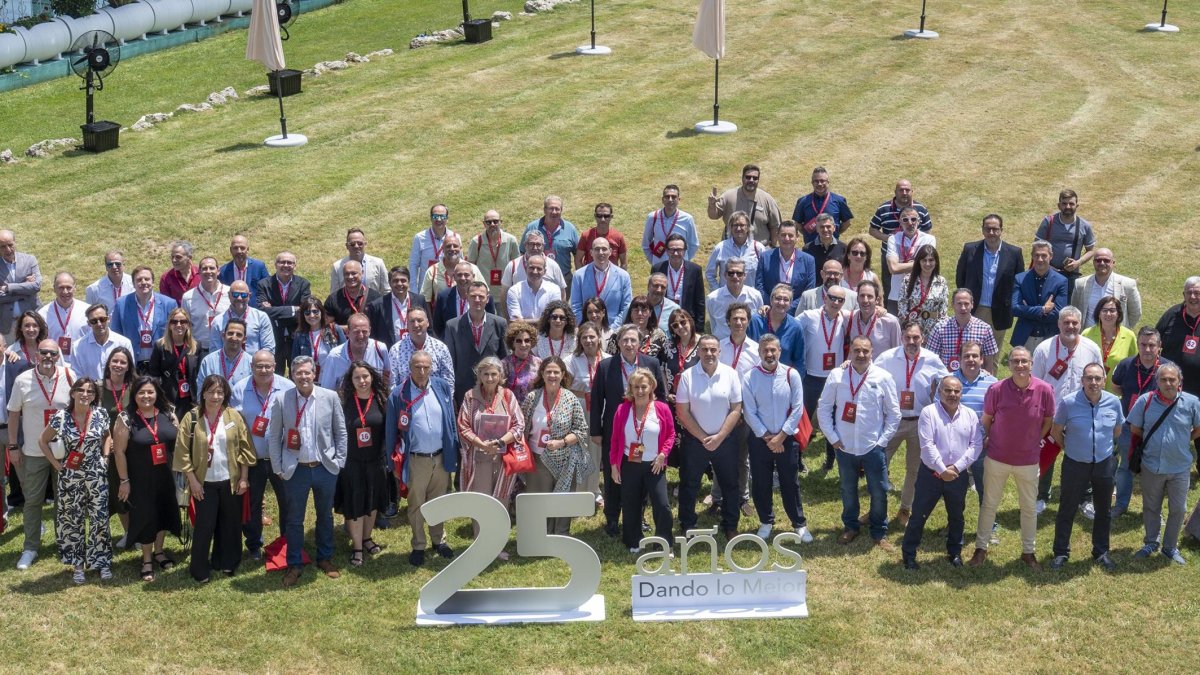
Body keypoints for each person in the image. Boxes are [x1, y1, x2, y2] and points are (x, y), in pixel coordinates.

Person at [970, 348, 1056, 570]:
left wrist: (1036, 438)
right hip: (997, 457)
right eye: (1015, 361)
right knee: (989, 504)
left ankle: (1028, 552)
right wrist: (994, 438)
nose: (1020, 365)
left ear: (1031, 364)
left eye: (1024, 361)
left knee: (1028, 508)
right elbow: (987, 419)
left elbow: (1048, 420)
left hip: (1028, 460)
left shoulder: (1045, 389)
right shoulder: (996, 389)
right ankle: (981, 549)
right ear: (1009, 364)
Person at [267, 356, 347, 587]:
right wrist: (278, 467)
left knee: (325, 515)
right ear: (292, 375)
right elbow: (274, 436)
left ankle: (325, 558)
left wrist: (339, 462)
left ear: (315, 374)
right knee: (294, 519)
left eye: (307, 372)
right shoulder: (282, 400)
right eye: (298, 373)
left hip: (324, 468)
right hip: (296, 470)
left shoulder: (329, 397)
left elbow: (340, 432)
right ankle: (295, 564)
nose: (303, 377)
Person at [817, 336, 901, 550]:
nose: (861, 355)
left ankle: (879, 532)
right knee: (847, 489)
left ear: (872, 352)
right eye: (857, 350)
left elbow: (894, 414)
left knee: (879, 490)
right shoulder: (837, 376)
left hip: (872, 446)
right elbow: (824, 408)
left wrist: (881, 442)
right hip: (844, 447)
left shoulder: (883, 377)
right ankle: (851, 526)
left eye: (865, 350)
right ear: (850, 352)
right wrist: (833, 439)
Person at [175, 375, 254, 582]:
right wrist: (192, 480)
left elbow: (245, 448)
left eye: (220, 392)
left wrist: (244, 478)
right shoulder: (191, 418)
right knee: (204, 526)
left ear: (225, 394)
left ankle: (227, 562)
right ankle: (199, 568)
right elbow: (182, 452)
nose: (215, 396)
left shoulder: (233, 416)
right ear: (203, 393)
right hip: (203, 483)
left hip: (231, 481)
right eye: (211, 392)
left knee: (230, 524)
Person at [591, 324, 667, 536]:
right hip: (615, 432)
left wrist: (659, 426)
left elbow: (660, 395)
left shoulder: (651, 363)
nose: (629, 344)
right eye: (625, 340)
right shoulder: (606, 366)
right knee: (613, 475)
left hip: (642, 433)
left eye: (633, 340)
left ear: (640, 342)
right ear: (618, 342)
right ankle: (613, 518)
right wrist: (596, 431)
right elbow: (597, 399)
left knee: (638, 474)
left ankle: (638, 515)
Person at [900, 375, 982, 570]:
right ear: (939, 392)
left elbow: (976, 444)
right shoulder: (929, 413)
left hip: (957, 475)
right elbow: (927, 445)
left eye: (956, 391)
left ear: (961, 393)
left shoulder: (970, 415)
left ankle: (954, 553)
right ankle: (909, 555)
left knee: (956, 516)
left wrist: (957, 468)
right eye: (947, 390)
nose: (952, 394)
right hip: (931, 475)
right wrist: (942, 469)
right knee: (919, 515)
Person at [1048, 363, 1123, 571]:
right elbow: (1056, 431)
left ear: (1103, 380)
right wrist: (1070, 447)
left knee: (1103, 510)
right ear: (1082, 380)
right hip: (1075, 463)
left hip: (1104, 464)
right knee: (1067, 508)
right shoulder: (1068, 402)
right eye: (1089, 378)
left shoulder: (1113, 402)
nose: (1093, 382)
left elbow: (1117, 431)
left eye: (1098, 378)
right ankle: (1061, 552)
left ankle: (1101, 551)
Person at [874, 320, 949, 526]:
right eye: (907, 337)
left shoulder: (932, 359)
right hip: (892, 421)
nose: (912, 342)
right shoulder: (887, 358)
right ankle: (876, 509)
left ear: (922, 339)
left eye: (916, 338)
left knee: (914, 469)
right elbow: (867, 374)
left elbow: (948, 381)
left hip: (920, 423)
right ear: (901, 338)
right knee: (879, 464)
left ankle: (905, 509)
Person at [7, 339, 72, 570]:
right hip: (34, 452)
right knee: (33, 501)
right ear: (36, 356)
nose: (47, 357)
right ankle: (30, 547)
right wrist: (13, 446)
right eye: (43, 352)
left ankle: (65, 543)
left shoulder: (69, 375)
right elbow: (13, 414)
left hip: (63, 452)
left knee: (63, 501)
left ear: (58, 356)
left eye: (52, 353)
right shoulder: (22, 380)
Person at [390, 351, 460, 565]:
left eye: (426, 367)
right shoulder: (398, 394)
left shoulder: (441, 386)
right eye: (417, 367)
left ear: (432, 368)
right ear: (410, 368)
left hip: (440, 457)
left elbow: (450, 420)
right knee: (416, 504)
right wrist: (392, 461)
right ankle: (418, 544)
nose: (422, 372)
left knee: (439, 502)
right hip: (416, 459)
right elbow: (391, 431)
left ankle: (439, 540)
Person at [39, 377, 111, 583]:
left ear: (95, 395)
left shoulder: (101, 414)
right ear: (72, 393)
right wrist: (56, 465)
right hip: (70, 474)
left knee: (99, 517)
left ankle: (101, 560)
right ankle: (77, 563)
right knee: (72, 518)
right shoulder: (60, 417)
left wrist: (105, 458)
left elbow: (107, 436)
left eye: (90, 391)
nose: (85, 394)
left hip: (96, 473)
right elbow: (42, 441)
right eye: (81, 390)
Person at [1032, 306, 1103, 513]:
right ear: (1058, 324)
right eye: (1066, 322)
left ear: (1080, 324)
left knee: (1083, 456)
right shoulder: (1044, 349)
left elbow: (1098, 379)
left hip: (1081, 412)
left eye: (1074, 323)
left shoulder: (1091, 349)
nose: (1070, 326)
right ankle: (1041, 495)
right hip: (1051, 413)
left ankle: (1085, 497)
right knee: (1046, 454)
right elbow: (1035, 383)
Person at [1128, 364, 1200, 565]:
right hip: (1152, 466)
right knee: (1151, 507)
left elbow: (1198, 429)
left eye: (1172, 379)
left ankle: (1169, 547)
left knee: (1178, 508)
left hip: (1180, 467)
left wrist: (1182, 440)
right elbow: (1135, 427)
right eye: (1163, 379)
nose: (1168, 383)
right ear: (1157, 382)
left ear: (1179, 381)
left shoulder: (1192, 402)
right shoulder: (1146, 401)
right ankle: (1151, 542)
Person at [112, 377, 183, 582]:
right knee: (145, 516)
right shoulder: (126, 418)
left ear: (157, 393)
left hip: (166, 476)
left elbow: (179, 442)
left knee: (162, 512)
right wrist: (124, 481)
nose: (146, 396)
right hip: (140, 478)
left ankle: (159, 551)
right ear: (134, 395)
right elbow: (119, 452)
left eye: (150, 392)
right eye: (141, 392)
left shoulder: (168, 413)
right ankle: (146, 560)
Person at [742, 335, 812, 542]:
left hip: (786, 438)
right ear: (759, 352)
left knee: (790, 481)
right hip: (760, 439)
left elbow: (798, 408)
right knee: (761, 482)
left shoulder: (792, 375)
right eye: (765, 350)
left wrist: (780, 437)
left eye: (773, 350)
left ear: (779, 352)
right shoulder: (750, 377)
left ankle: (799, 523)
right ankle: (766, 521)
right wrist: (767, 437)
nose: (769, 354)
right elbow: (749, 411)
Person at [676, 335, 744, 538]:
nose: (709, 354)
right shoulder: (688, 376)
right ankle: (687, 524)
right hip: (695, 441)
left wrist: (719, 437)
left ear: (719, 352)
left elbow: (736, 409)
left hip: (725, 440)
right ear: (698, 352)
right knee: (689, 483)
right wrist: (704, 437)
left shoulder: (730, 374)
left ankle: (730, 524)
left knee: (730, 483)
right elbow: (682, 411)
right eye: (705, 349)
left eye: (713, 350)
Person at [230, 350, 294, 560]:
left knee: (287, 501)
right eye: (259, 366)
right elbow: (234, 425)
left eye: (268, 366)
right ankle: (254, 545)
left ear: (275, 366)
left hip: (281, 457)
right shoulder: (240, 389)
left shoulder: (287, 387)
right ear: (252, 367)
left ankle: (287, 542)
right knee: (252, 504)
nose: (264, 370)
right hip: (252, 459)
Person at [521, 357, 592, 535]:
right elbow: (522, 427)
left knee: (562, 500)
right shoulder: (532, 398)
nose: (552, 375)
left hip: (565, 459)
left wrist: (562, 442)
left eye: (556, 372)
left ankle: (560, 535)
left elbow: (582, 430)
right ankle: (539, 536)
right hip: (537, 459)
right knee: (539, 500)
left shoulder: (571, 399)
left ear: (562, 375)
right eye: (548, 372)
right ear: (542, 374)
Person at [1110, 327, 1173, 518]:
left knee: (1155, 472)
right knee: (1125, 468)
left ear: (1159, 347)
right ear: (1137, 344)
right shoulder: (1125, 365)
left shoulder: (1168, 369)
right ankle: (1121, 504)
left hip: (1156, 430)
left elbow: (1173, 396)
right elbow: (1117, 387)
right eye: (1143, 344)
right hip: (1129, 428)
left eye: (1151, 345)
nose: (1147, 349)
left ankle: (1154, 512)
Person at [610, 366, 673, 551]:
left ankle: (663, 544)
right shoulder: (622, 410)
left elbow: (670, 435)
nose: (640, 390)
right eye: (636, 387)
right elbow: (614, 440)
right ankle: (633, 540)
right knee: (631, 504)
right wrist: (614, 465)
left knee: (662, 505)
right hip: (630, 463)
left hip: (654, 464)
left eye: (644, 386)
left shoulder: (661, 409)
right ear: (631, 388)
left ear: (651, 387)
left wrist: (663, 455)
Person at [457, 357, 524, 531]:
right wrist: (481, 444)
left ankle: (498, 541)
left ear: (500, 375)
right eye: (485, 374)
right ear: (479, 375)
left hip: (503, 459)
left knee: (501, 498)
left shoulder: (508, 396)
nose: (490, 378)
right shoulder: (470, 396)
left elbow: (519, 424)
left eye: (494, 374)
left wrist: (502, 440)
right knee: (481, 501)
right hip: (479, 458)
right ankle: (480, 539)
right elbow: (463, 426)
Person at [335, 362, 389, 567]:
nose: (362, 381)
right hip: (352, 462)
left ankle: (367, 538)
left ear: (372, 377)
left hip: (376, 461)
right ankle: (357, 546)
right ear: (351, 381)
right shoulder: (343, 402)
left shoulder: (382, 400)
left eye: (365, 376)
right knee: (355, 502)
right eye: (357, 378)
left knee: (372, 501)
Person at [798, 285, 851, 472]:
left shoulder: (845, 318)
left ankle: (829, 461)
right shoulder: (808, 316)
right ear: (824, 298)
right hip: (811, 377)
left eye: (840, 300)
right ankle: (797, 459)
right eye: (832, 298)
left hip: (834, 378)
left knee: (833, 420)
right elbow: (789, 325)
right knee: (802, 418)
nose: (836, 302)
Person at [956, 213, 1025, 348]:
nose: (991, 233)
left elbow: (1019, 282)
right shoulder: (970, 250)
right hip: (975, 308)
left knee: (993, 354)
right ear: (982, 230)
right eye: (988, 229)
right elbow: (960, 277)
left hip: (1000, 311)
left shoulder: (1014, 253)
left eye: (995, 229)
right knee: (971, 349)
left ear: (1001, 231)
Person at [1153, 277, 1200, 469]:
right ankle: (1163, 463)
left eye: (1197, 293)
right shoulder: (1172, 315)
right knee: (1168, 426)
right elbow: (1155, 341)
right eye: (1189, 292)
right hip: (1171, 386)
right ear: (1183, 295)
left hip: (1199, 387)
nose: (1193, 296)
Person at [950, 342, 998, 517]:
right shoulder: (949, 382)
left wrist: (990, 437)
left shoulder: (993, 384)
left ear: (982, 359)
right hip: (955, 447)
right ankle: (954, 525)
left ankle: (989, 526)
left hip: (983, 446)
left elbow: (1000, 416)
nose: (971, 359)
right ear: (960, 359)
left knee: (985, 489)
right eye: (966, 356)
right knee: (954, 491)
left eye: (975, 356)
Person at [446, 281, 510, 409]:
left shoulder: (500, 323)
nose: (477, 300)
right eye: (473, 296)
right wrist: (451, 393)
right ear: (466, 297)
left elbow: (504, 359)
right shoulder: (452, 326)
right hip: (463, 389)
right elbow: (450, 363)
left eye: (481, 296)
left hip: (492, 387)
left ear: (487, 299)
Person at [868, 180, 933, 300]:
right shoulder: (884, 209)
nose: (904, 193)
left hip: (915, 255)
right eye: (901, 190)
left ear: (912, 192)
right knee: (889, 286)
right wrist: (888, 239)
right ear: (895, 192)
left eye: (907, 190)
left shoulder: (921, 209)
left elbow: (927, 230)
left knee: (917, 285)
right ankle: (890, 310)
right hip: (890, 254)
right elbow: (872, 229)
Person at [567, 321, 608, 498]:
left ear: (599, 338)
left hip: (602, 409)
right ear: (579, 340)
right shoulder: (571, 360)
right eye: (585, 337)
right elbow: (565, 387)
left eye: (592, 336)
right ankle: (578, 490)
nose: (589, 340)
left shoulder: (608, 359)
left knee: (596, 450)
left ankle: (593, 489)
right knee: (579, 450)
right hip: (580, 408)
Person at [99, 346, 135, 545]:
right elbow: (92, 418)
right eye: (115, 361)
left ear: (129, 366)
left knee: (137, 488)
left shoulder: (135, 386)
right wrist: (106, 438)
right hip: (110, 449)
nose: (118, 365)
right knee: (118, 489)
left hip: (134, 447)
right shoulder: (97, 388)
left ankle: (140, 530)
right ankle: (128, 531)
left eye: (123, 362)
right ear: (108, 364)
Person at [111, 266, 178, 372]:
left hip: (161, 364)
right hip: (132, 364)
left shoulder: (169, 304)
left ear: (153, 282)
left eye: (147, 279)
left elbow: (176, 334)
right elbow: (115, 334)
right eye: (139, 280)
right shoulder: (121, 304)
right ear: (133, 284)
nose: (143, 282)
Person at [256, 251, 311, 374]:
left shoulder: (303, 284)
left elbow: (305, 310)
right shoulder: (264, 284)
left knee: (298, 373)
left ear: (295, 266)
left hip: (295, 337)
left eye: (290, 262)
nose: (286, 265)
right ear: (275, 265)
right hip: (273, 337)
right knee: (275, 374)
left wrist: (273, 310)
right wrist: (293, 309)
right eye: (282, 262)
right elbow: (262, 311)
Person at [1010, 241, 1069, 350]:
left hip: (1049, 337)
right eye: (1037, 255)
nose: (1040, 259)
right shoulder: (1020, 279)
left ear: (1051, 256)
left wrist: (1027, 310)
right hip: (1025, 337)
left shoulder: (1062, 281)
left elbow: (1059, 313)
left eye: (1044, 255)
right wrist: (1042, 310)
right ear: (1032, 256)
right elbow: (1015, 309)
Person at [926, 289, 999, 373]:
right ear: (952, 305)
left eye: (966, 304)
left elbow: (988, 363)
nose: (963, 308)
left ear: (972, 305)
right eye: (959, 303)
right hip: (946, 380)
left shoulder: (985, 329)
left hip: (973, 380)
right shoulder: (940, 328)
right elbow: (931, 358)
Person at [707, 164, 782, 245]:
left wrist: (772, 246)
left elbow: (775, 226)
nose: (751, 180)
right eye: (748, 177)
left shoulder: (767, 199)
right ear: (742, 178)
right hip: (731, 248)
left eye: (755, 178)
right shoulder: (729, 196)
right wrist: (712, 205)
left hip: (758, 251)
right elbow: (713, 216)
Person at [1034, 189, 1096, 286]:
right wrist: (1046, 264)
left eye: (1071, 204)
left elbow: (1091, 250)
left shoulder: (1084, 226)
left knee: (1068, 301)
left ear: (1077, 206)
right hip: (1046, 272)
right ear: (1059, 205)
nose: (1068, 207)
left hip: (1071, 275)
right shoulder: (1048, 221)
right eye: (1064, 203)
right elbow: (1036, 246)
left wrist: (1078, 263)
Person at [1069, 248, 1141, 329]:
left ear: (1113, 263)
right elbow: (1075, 311)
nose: (1102, 263)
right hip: (1088, 337)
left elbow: (1135, 313)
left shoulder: (1128, 284)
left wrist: (1123, 330)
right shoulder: (1080, 284)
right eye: (1098, 260)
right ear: (1093, 262)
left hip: (1116, 337)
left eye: (1106, 260)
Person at [569, 238, 632, 330]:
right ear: (591, 252)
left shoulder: (623, 276)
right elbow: (575, 306)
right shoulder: (579, 276)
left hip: (613, 330)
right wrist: (586, 328)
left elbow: (626, 306)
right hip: (588, 332)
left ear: (610, 252)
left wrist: (613, 329)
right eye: (597, 249)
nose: (601, 252)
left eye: (604, 249)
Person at [756, 221, 816, 314]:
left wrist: (788, 307)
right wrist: (774, 306)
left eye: (790, 235)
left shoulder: (808, 260)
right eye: (783, 235)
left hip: (797, 313)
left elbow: (809, 289)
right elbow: (759, 285)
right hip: (770, 311)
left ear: (797, 237)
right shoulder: (765, 257)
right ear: (777, 236)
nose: (787, 238)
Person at [147, 307, 201, 413]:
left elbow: (198, 374)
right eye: (174, 322)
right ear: (169, 325)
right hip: (168, 397)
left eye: (183, 321)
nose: (179, 325)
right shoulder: (160, 346)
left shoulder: (196, 346)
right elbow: (154, 375)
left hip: (189, 398)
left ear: (188, 325)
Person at [885, 207, 937, 315]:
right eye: (905, 220)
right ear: (900, 222)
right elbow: (893, 268)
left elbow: (927, 266)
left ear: (919, 221)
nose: (910, 223)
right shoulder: (893, 239)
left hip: (921, 295)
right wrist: (919, 263)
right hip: (896, 295)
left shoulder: (929, 239)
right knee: (896, 330)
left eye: (913, 219)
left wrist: (903, 265)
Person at [318, 313, 390, 391]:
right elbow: (327, 390)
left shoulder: (380, 349)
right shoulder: (334, 356)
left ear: (370, 331)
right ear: (348, 332)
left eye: (364, 331)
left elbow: (389, 381)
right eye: (356, 332)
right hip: (345, 402)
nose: (361, 336)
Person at [387, 306, 454, 389]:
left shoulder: (441, 348)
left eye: (419, 320)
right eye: (412, 321)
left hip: (435, 399)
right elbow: (392, 383)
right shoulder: (396, 350)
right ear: (407, 325)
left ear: (427, 322)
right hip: (406, 400)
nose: (416, 325)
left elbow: (448, 381)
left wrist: (444, 401)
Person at [521, 195, 580, 289]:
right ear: (544, 210)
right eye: (551, 208)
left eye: (557, 209)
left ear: (561, 210)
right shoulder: (532, 227)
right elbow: (522, 252)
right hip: (536, 278)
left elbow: (578, 254)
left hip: (563, 279)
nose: (554, 212)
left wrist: (578, 278)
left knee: (562, 303)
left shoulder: (570, 229)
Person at [467, 210, 521, 311]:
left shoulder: (511, 240)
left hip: (504, 293)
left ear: (501, 222)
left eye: (495, 221)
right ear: (484, 224)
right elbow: (471, 267)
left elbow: (516, 266)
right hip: (483, 295)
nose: (492, 224)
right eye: (488, 222)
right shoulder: (476, 241)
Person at [1082, 296, 1137, 389]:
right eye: (1104, 310)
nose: (1108, 314)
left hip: (1116, 393)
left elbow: (1134, 365)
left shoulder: (1129, 336)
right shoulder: (1086, 334)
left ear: (1118, 314)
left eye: (1112, 310)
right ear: (1098, 313)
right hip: (1089, 391)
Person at [651, 234, 705, 328]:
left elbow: (699, 300)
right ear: (667, 251)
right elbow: (652, 296)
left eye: (679, 250)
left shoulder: (695, 270)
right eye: (672, 249)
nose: (675, 253)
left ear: (684, 251)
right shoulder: (658, 268)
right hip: (663, 318)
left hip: (687, 319)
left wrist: (699, 327)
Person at [367, 266, 428, 348]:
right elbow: (373, 335)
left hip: (417, 351)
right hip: (389, 353)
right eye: (395, 281)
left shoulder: (420, 300)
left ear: (408, 282)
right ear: (389, 283)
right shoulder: (377, 306)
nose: (399, 284)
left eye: (403, 280)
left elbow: (429, 327)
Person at [70, 303, 134, 381]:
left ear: (109, 319)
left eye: (102, 319)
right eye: (94, 321)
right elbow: (77, 375)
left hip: (118, 390)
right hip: (91, 391)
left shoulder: (124, 343)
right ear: (89, 323)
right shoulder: (78, 347)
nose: (99, 324)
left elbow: (130, 371)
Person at [0, 229, 42, 345]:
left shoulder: (29, 260)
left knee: (35, 356)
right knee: (9, 359)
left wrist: (8, 288)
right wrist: (25, 289)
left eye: (10, 245)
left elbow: (36, 286)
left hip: (32, 322)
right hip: (7, 324)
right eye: (3, 247)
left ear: (15, 242)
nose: (8, 250)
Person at [749, 284, 805, 371]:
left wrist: (793, 382)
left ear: (790, 303)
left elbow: (799, 361)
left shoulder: (796, 327)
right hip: (756, 377)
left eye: (786, 300)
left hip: (783, 380)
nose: (781, 302)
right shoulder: (755, 321)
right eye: (778, 298)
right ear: (771, 300)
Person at [432, 259, 492, 340]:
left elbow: (490, 323)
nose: (463, 278)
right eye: (459, 275)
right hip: (452, 344)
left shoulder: (484, 297)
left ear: (473, 277)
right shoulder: (443, 297)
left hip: (477, 343)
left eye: (466, 275)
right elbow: (438, 326)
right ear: (454, 277)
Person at [792, 165, 854, 244]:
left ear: (828, 182)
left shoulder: (839, 201)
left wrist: (835, 232)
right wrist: (808, 234)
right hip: (811, 247)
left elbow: (846, 223)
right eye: (816, 181)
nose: (820, 184)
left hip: (833, 246)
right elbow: (798, 224)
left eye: (822, 181)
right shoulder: (803, 202)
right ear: (812, 183)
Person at [179, 257, 229, 353]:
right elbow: (186, 326)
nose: (208, 271)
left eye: (212, 268)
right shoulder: (188, 297)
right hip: (199, 350)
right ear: (199, 272)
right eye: (204, 268)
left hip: (225, 348)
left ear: (218, 271)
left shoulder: (230, 293)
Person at [706, 212, 766, 292]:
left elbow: (765, 275)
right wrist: (718, 292)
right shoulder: (720, 248)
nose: (738, 228)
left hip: (750, 299)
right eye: (735, 225)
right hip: (726, 299)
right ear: (730, 228)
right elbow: (710, 274)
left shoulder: (758, 248)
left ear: (748, 227)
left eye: (742, 225)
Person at [706, 258, 763, 341]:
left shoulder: (755, 295)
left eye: (739, 273)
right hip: (722, 347)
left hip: (748, 347)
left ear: (745, 275)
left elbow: (758, 323)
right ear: (725, 275)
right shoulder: (712, 298)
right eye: (731, 273)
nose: (735, 276)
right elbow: (713, 326)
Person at [898, 245, 948, 338]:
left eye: (931, 260)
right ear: (919, 262)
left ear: (936, 262)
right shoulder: (908, 280)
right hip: (913, 331)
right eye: (924, 260)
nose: (927, 264)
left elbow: (943, 311)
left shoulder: (942, 282)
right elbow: (902, 306)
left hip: (933, 331)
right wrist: (908, 327)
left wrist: (940, 331)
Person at [642, 184, 699, 266]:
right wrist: (654, 261)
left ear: (679, 199)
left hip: (680, 266)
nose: (670, 199)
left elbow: (694, 244)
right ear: (662, 200)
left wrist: (684, 260)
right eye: (667, 196)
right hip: (659, 265)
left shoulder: (687, 219)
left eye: (674, 197)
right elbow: (646, 244)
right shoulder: (652, 217)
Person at [422, 233, 486, 305]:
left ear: (460, 249)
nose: (452, 249)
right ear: (443, 249)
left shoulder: (473, 268)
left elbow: (484, 293)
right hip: (441, 315)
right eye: (448, 246)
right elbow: (425, 300)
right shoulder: (432, 271)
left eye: (455, 246)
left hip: (468, 314)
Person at [291, 297, 347, 379]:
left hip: (333, 380)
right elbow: (295, 362)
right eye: (307, 312)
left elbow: (345, 356)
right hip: (310, 382)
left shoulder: (334, 330)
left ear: (322, 312)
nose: (312, 315)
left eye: (315, 311)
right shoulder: (300, 335)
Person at [501, 231, 568, 299]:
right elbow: (504, 293)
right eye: (531, 244)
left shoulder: (553, 265)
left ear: (543, 246)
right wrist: (505, 310)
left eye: (538, 244)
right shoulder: (513, 265)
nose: (535, 248)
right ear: (525, 245)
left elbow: (562, 292)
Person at [38, 272, 89, 357]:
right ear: (54, 288)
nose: (65, 292)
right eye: (61, 288)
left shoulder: (87, 311)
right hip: (55, 363)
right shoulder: (42, 314)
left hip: (81, 361)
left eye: (69, 287)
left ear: (75, 288)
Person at [847, 279, 901, 356]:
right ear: (857, 299)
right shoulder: (849, 318)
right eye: (862, 296)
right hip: (855, 367)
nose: (865, 300)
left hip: (880, 367)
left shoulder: (890, 322)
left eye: (870, 296)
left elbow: (898, 352)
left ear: (877, 300)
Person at [196, 319, 253, 390]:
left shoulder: (251, 363)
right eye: (230, 333)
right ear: (223, 335)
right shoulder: (208, 361)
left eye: (239, 335)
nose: (234, 337)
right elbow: (201, 391)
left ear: (244, 339)